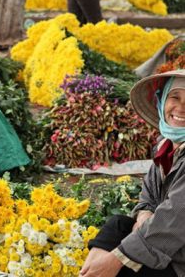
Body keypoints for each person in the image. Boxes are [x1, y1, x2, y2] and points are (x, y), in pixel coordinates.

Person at [79, 69, 185, 277]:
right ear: (161, 101)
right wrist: (144, 212)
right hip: (173, 247)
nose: (181, 108)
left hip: (181, 262)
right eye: (175, 97)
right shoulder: (166, 147)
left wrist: (116, 259)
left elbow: (173, 220)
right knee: (117, 225)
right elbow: (149, 195)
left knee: (120, 268)